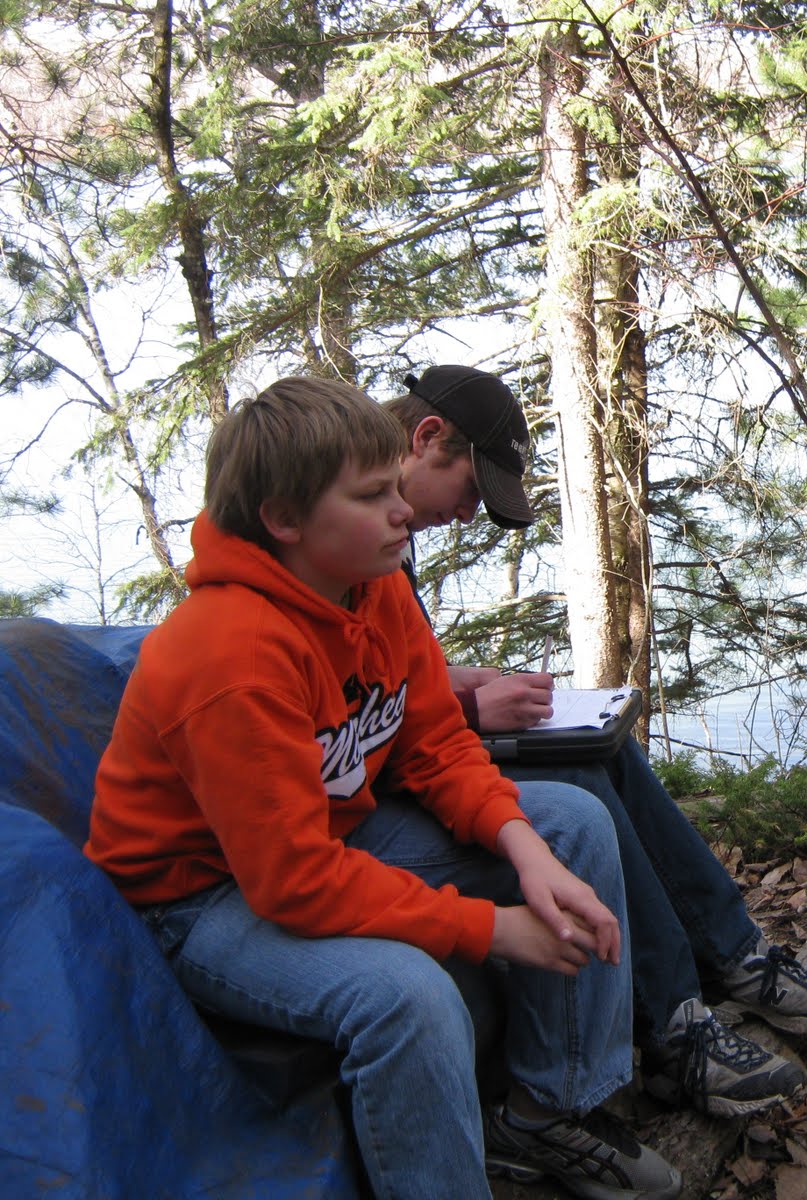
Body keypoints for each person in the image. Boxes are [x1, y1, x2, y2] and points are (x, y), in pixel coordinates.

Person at [84, 378, 681, 1200]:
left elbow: (435, 741)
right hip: (198, 901)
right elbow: (292, 883)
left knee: (569, 824)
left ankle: (546, 1112)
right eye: (371, 496)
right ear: (285, 521)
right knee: (410, 1000)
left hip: (327, 839)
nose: (402, 512)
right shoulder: (229, 656)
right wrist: (491, 928)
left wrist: (522, 849)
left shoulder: (373, 587)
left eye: (394, 488)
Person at [386, 365, 807, 1116]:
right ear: (425, 440)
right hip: (386, 794)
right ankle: (677, 1028)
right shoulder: (359, 531)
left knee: (603, 746)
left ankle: (735, 954)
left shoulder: (385, 529)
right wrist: (472, 713)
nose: (468, 512)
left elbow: (395, 670)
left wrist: (467, 680)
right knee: (574, 790)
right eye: (471, 490)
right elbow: (357, 717)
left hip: (415, 755)